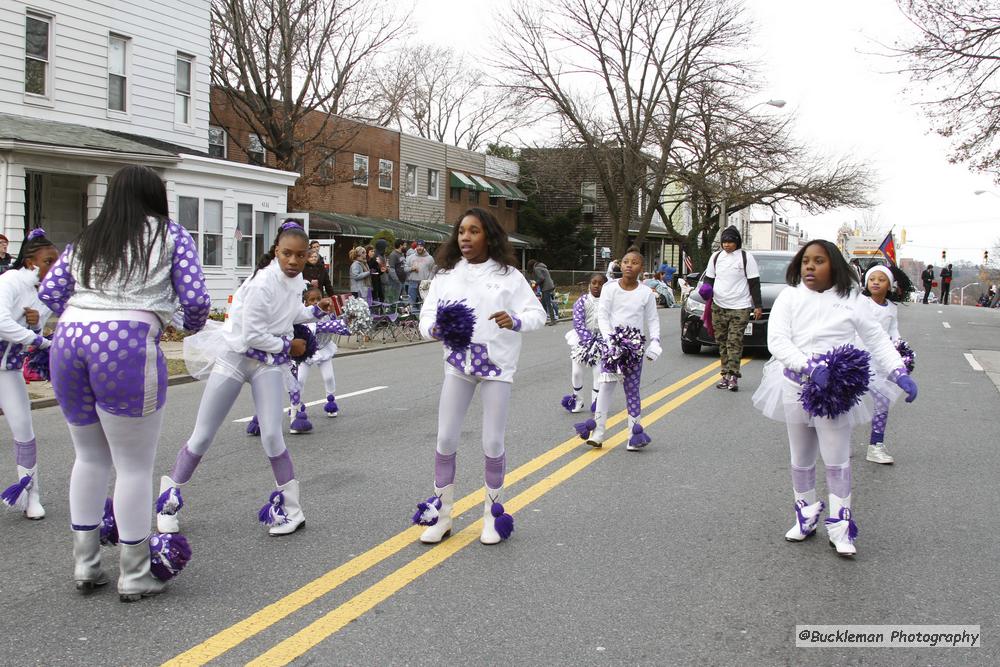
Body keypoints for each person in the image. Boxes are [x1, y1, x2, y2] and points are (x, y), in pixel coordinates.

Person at [38, 165, 211, 601]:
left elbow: (50, 293)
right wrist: (188, 326)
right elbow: (195, 299)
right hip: (125, 341)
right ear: (157, 196)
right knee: (133, 466)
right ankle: (134, 573)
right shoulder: (171, 235)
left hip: (69, 337)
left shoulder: (88, 239)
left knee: (89, 457)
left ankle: (86, 563)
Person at [156, 221, 331, 540]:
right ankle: (167, 504)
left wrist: (315, 312)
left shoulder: (295, 281)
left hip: (267, 364)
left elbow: (288, 315)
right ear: (277, 252)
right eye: (287, 254)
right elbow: (251, 334)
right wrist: (287, 346)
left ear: (308, 256)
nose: (293, 261)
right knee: (203, 435)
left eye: (300, 255)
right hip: (237, 359)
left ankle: (293, 511)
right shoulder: (261, 284)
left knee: (273, 437)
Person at [751, 240, 917, 557]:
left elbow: (877, 339)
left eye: (819, 261)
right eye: (806, 261)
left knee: (837, 460)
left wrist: (898, 372)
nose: (810, 266)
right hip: (794, 386)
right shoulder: (790, 296)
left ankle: (841, 527)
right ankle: (805, 515)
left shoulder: (852, 300)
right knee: (800, 458)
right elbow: (777, 340)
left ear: (834, 266)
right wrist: (808, 367)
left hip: (835, 392)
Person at [412, 207, 545, 545]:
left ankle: (491, 516)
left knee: (493, 442)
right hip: (458, 365)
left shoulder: (509, 276)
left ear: (489, 235)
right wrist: (434, 328)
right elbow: (426, 315)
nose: (466, 238)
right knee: (445, 439)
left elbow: (537, 314)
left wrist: (514, 320)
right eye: (461, 232)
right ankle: (442, 516)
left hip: (497, 369)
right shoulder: (445, 276)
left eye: (474, 231)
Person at [575, 246, 661, 451]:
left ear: (642, 268)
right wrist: (610, 341)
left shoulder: (646, 293)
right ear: (619, 265)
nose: (629, 265)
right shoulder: (610, 288)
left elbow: (652, 319)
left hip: (634, 349)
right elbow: (603, 316)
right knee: (605, 387)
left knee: (632, 390)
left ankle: (633, 435)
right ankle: (598, 432)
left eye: (634, 262)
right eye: (625, 262)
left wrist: (655, 341)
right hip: (611, 348)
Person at [0, 228, 59, 521]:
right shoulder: (9, 281)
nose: (53, 267)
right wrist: (39, 339)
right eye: (49, 260)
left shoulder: (42, 297)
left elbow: (30, 334)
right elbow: (0, 322)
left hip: (7, 371)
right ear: (30, 261)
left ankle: (29, 494)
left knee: (25, 431)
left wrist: (36, 327)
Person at [856, 265, 913, 465]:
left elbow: (894, 331)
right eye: (872, 279)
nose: (876, 282)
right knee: (847, 405)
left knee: (882, 402)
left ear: (889, 285)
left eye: (881, 279)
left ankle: (876, 445)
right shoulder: (859, 302)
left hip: (880, 363)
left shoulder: (891, 308)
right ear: (866, 283)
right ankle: (839, 443)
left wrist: (901, 349)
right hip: (857, 361)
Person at [698, 226, 763, 392]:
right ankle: (724, 375)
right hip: (719, 305)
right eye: (724, 242)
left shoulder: (745, 258)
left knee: (734, 341)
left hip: (740, 306)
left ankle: (733, 376)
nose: (727, 245)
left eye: (730, 242)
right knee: (721, 341)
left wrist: (758, 305)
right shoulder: (716, 257)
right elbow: (709, 280)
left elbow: (754, 283)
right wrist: (705, 290)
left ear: (737, 242)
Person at [562, 273, 607, 413]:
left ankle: (596, 401)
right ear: (589, 284)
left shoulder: (608, 303)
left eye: (600, 284)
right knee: (576, 372)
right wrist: (588, 340)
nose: (596, 286)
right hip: (581, 340)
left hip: (600, 341)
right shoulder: (582, 301)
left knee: (598, 372)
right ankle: (577, 400)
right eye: (594, 283)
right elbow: (578, 322)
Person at [528, 259, 558, 325]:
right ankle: (544, 320)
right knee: (543, 303)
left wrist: (535, 284)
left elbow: (541, 278)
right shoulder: (542, 267)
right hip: (549, 286)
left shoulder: (537, 268)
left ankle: (553, 320)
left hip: (546, 287)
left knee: (547, 303)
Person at [405, 240, 435, 306]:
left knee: (424, 303)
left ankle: (423, 315)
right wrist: (411, 268)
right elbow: (405, 268)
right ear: (416, 247)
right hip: (412, 282)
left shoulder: (430, 258)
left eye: (421, 246)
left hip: (424, 283)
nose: (419, 248)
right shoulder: (411, 257)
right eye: (418, 246)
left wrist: (428, 280)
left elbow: (433, 270)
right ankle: (411, 315)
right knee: (411, 302)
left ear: (424, 247)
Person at [386, 239, 407, 304]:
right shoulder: (393, 255)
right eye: (404, 245)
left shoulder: (402, 254)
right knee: (394, 300)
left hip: (402, 281)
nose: (405, 247)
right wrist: (397, 280)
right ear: (400, 245)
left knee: (404, 300)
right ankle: (393, 312)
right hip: (395, 282)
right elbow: (391, 269)